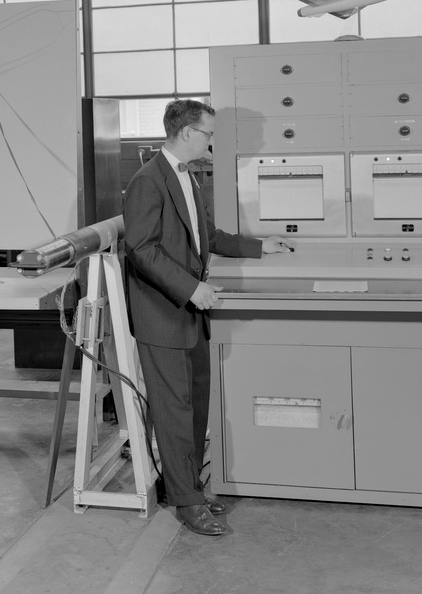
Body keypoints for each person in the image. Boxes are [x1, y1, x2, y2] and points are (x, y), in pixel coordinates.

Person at [123, 99, 294, 537]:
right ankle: (186, 502)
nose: (211, 141)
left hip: (190, 315)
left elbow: (207, 236)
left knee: (196, 405)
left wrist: (260, 247)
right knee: (175, 411)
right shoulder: (148, 182)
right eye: (208, 134)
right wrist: (191, 288)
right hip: (164, 315)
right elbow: (142, 251)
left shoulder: (188, 179)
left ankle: (187, 487)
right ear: (185, 134)